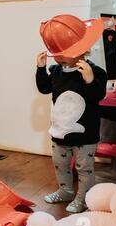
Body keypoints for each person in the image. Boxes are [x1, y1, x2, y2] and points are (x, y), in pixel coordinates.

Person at [36, 14, 108, 213]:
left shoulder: (95, 71)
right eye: (56, 53)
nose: (57, 57)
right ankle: (65, 190)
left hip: (85, 135)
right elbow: (44, 89)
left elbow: (98, 96)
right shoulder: (56, 71)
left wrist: (90, 79)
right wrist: (41, 69)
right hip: (60, 132)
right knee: (61, 164)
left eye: (62, 52)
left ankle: (84, 198)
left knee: (84, 168)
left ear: (82, 49)